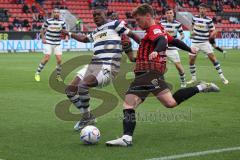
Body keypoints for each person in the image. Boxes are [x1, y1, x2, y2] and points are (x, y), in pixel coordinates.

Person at [105, 3, 220, 147]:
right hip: (150, 74)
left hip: (148, 74)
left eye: (139, 20)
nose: (138, 24)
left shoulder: (154, 30)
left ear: (148, 16)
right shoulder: (158, 29)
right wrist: (189, 48)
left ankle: (127, 138)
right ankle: (202, 87)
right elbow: (173, 41)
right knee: (169, 103)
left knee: (128, 104)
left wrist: (157, 51)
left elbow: (161, 41)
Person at [62, 7, 141, 131]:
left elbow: (132, 35)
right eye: (94, 15)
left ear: (105, 15)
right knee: (70, 90)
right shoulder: (96, 32)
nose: (96, 17)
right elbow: (84, 39)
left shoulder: (114, 24)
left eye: (98, 14)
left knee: (83, 86)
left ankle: (87, 118)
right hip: (93, 65)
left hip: (108, 67)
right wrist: (69, 33)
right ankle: (88, 116)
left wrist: (145, 47)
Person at [187, 3, 229, 85]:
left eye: (203, 9)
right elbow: (191, 26)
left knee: (213, 59)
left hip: (204, 43)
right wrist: (191, 32)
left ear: (206, 10)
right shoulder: (194, 18)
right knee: (191, 60)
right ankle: (193, 78)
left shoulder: (209, 20)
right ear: (199, 9)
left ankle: (223, 77)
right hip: (195, 42)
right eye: (200, 8)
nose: (201, 10)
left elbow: (213, 30)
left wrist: (212, 34)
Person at [35, 8, 68, 82]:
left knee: (59, 60)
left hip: (57, 43)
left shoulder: (62, 22)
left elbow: (65, 31)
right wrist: (43, 38)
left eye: (57, 12)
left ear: (59, 14)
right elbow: (42, 30)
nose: (56, 13)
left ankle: (58, 76)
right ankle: (37, 73)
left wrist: (66, 37)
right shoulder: (48, 21)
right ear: (52, 13)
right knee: (46, 58)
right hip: (48, 42)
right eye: (55, 12)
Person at [160, 8, 186, 88]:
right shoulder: (161, 23)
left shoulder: (177, 24)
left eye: (170, 13)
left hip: (172, 48)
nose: (169, 14)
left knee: (178, 66)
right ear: (165, 14)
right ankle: (161, 83)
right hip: (163, 48)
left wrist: (177, 41)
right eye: (167, 13)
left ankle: (183, 81)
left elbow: (182, 35)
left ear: (173, 14)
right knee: (160, 66)